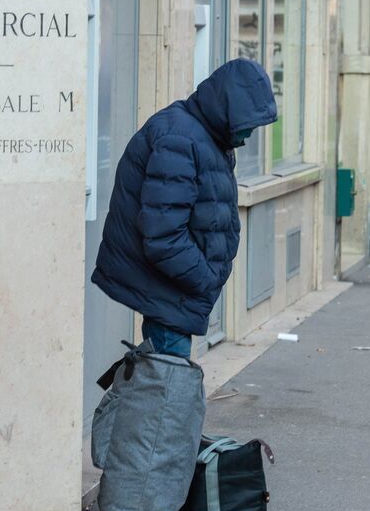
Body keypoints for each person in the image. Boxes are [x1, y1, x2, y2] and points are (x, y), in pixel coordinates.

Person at [92, 59, 278, 358]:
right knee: (169, 382)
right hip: (170, 293)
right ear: (227, 111)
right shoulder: (179, 138)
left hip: (176, 290)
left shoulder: (205, 137)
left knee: (164, 378)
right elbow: (163, 236)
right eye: (247, 125)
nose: (248, 136)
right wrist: (205, 280)